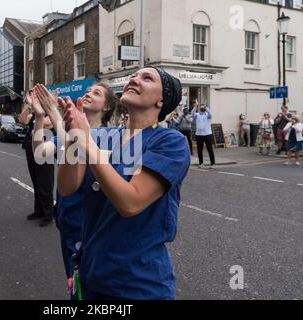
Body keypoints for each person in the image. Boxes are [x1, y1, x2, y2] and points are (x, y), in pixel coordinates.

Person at [40, 67, 190, 300]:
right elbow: (67, 187)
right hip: (91, 275)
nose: (135, 79)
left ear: (162, 100)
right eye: (134, 76)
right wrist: (73, 138)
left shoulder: (171, 142)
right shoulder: (103, 136)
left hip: (136, 284)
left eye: (147, 78)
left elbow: (130, 202)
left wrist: (86, 142)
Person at [30, 82, 119, 299]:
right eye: (88, 91)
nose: (89, 93)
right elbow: (39, 153)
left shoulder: (113, 136)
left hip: (91, 223)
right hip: (67, 220)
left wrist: (55, 113)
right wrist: (41, 118)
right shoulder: (68, 133)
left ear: (107, 107)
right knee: (74, 281)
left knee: (92, 285)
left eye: (96, 93)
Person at [19, 95, 55, 227]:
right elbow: (22, 119)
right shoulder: (34, 115)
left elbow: (46, 123)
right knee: (36, 183)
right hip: (31, 150)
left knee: (45, 184)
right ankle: (38, 211)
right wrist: (29, 106)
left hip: (45, 153)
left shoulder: (48, 115)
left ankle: (48, 214)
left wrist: (39, 110)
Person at [192, 101, 216, 169]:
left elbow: (210, 114)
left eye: (203, 107)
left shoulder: (207, 116)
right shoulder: (197, 115)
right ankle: (201, 163)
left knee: (210, 149)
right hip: (199, 135)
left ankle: (213, 163)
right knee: (199, 150)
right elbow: (192, 113)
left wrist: (206, 108)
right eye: (201, 107)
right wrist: (195, 106)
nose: (202, 108)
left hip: (207, 134)